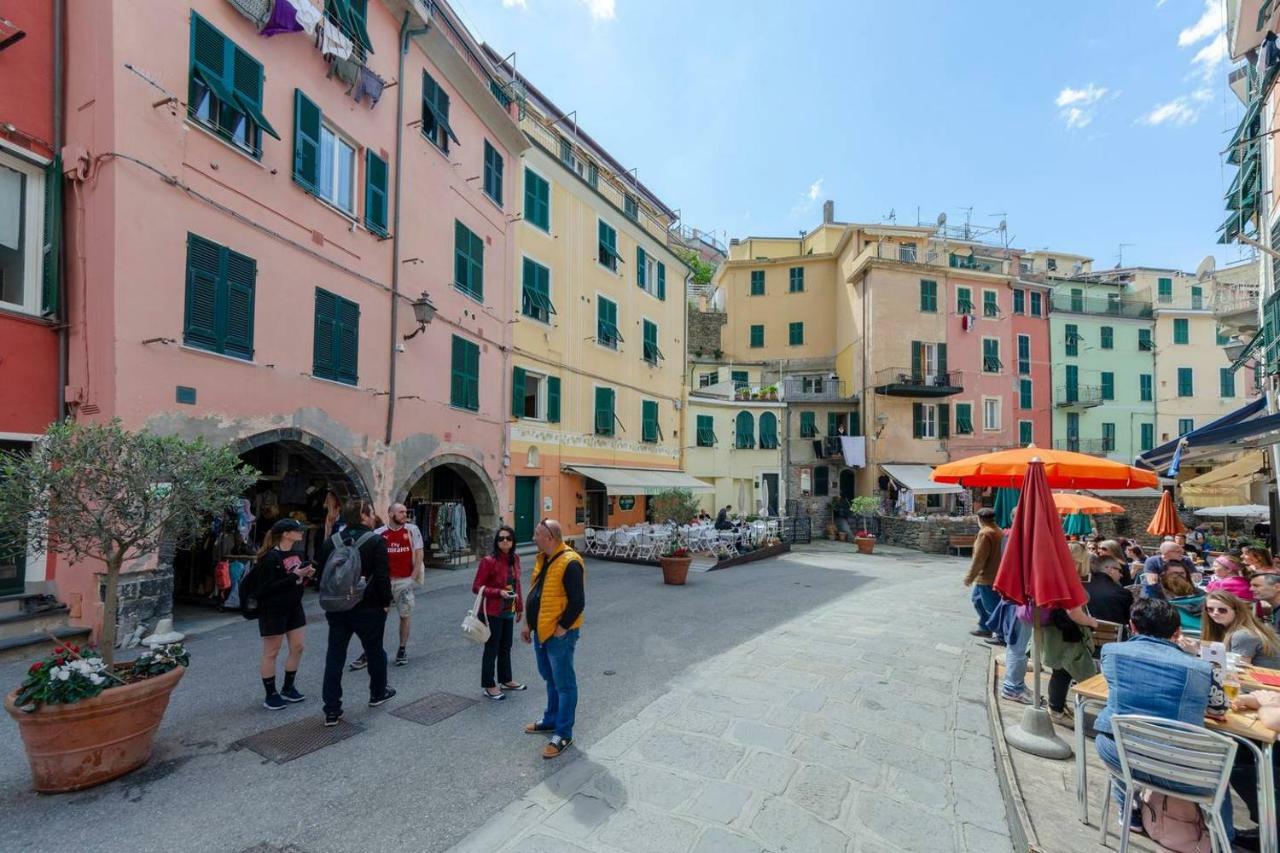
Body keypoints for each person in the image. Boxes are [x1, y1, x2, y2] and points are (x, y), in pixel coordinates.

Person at [1094, 598, 1232, 838]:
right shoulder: (1200, 668)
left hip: (1120, 755)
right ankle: (1224, 836)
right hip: (1182, 770)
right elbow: (1219, 708)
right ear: (1177, 632)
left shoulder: (1111, 652)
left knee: (1114, 736)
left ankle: (1129, 812)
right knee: (1223, 767)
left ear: (1132, 626)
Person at [317, 499, 395, 727]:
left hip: (337, 608)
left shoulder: (330, 542)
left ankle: (331, 709)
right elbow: (382, 576)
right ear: (363, 515)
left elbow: (321, 575)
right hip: (368, 607)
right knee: (374, 650)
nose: (372, 517)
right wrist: (385, 602)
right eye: (370, 513)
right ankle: (377, 693)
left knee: (335, 656)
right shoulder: (375, 541)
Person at [521, 519, 584, 759]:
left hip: (559, 634)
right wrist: (528, 622)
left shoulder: (570, 563)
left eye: (537, 534)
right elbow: (536, 594)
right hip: (541, 631)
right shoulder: (544, 558)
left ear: (549, 537)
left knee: (565, 683)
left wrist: (562, 628)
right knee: (550, 678)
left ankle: (564, 732)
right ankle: (550, 720)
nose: (533, 537)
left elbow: (578, 601)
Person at [351, 502, 424, 670]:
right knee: (378, 618)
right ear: (391, 514)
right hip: (384, 582)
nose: (405, 514)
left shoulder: (412, 530)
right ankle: (370, 652)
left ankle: (402, 649)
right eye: (401, 512)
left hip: (405, 580)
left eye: (405, 512)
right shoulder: (378, 533)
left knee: (405, 615)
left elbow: (419, 552)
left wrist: (413, 576)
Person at [252, 518, 313, 710]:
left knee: (298, 647)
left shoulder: (296, 553)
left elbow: (295, 582)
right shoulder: (269, 558)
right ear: (286, 533)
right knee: (272, 651)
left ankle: (288, 687)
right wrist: (296, 576)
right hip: (274, 609)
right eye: (297, 530)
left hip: (294, 607)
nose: (301, 533)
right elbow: (264, 589)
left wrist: (305, 577)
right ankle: (271, 694)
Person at [1041, 542, 1099, 725]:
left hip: (1053, 630)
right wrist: (1091, 622)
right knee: (1064, 671)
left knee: (1060, 671)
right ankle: (1056, 709)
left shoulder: (1054, 575)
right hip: (1065, 632)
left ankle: (1056, 705)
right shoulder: (1069, 580)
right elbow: (1074, 613)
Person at [472, 525, 526, 700]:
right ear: (496, 541)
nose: (504, 541)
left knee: (506, 646)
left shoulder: (515, 558)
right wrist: (498, 592)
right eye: (501, 538)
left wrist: (519, 607)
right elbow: (476, 587)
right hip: (492, 611)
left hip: (508, 609)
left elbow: (517, 584)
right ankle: (489, 685)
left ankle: (506, 679)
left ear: (513, 542)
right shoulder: (489, 561)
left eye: (508, 538)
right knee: (492, 648)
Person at [1200, 590, 1280, 669]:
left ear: (1237, 611)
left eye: (1222, 610)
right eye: (1210, 609)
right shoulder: (1224, 629)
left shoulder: (1242, 635)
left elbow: (1241, 671)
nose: (1215, 613)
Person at [963, 508, 1003, 639]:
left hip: (987, 576)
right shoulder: (999, 531)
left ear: (979, 519)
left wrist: (969, 576)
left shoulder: (985, 534)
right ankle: (985, 627)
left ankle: (1001, 634)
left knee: (990, 605)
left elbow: (979, 558)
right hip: (995, 574)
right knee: (978, 599)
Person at [1084, 556, 1133, 626]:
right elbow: (1129, 619)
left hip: (1085, 633)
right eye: (1120, 570)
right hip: (1115, 635)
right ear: (1110, 569)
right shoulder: (1123, 593)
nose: (1121, 575)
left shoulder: (1082, 588)